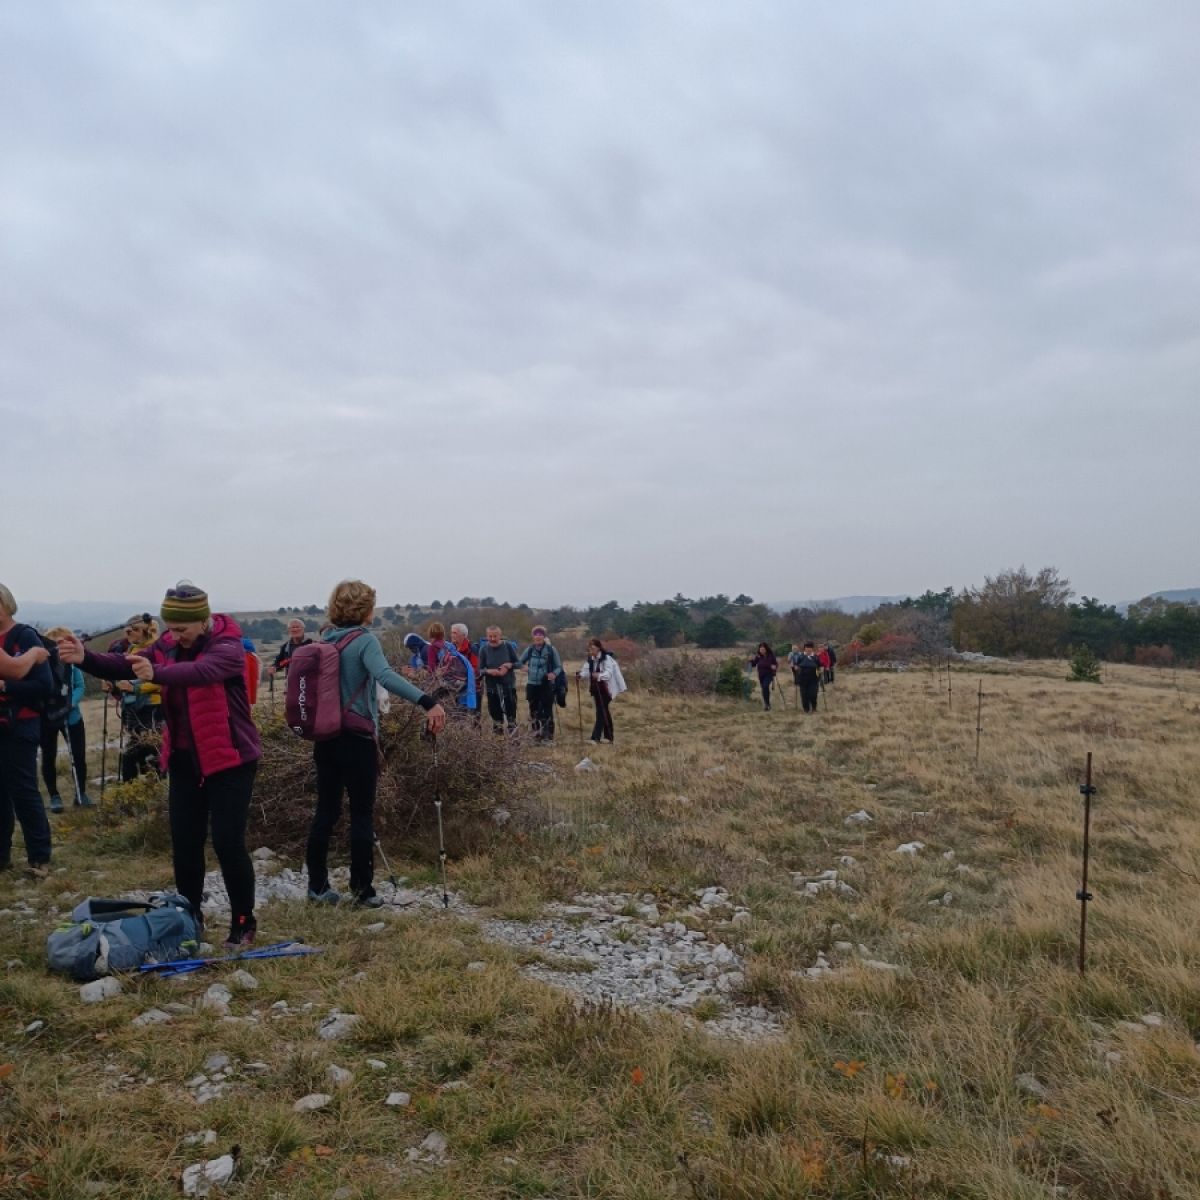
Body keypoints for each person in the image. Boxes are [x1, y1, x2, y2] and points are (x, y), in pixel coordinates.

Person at [60, 582, 263, 947]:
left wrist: (157, 673)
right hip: (184, 759)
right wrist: (85, 658)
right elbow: (127, 664)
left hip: (231, 759)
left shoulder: (228, 645)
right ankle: (189, 920)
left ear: (203, 620)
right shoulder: (167, 644)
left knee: (227, 842)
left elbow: (201, 672)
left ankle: (243, 922)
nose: (175, 635)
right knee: (185, 843)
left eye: (182, 629)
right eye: (171, 628)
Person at [304, 580, 446, 909]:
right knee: (361, 813)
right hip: (357, 738)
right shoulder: (364, 640)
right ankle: (362, 889)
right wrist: (427, 702)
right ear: (365, 609)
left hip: (325, 738)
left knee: (325, 811)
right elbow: (384, 675)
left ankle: (317, 886)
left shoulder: (326, 639)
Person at [0, 584, 54, 876]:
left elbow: (44, 685)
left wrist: (6, 687)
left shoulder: (24, 635)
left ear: (6, 603)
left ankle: (39, 858)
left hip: (21, 722)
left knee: (23, 790)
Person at [39, 626, 91, 811]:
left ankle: (81, 793)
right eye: (57, 643)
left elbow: (79, 686)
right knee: (48, 756)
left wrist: (69, 704)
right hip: (48, 718)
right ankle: (54, 796)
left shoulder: (72, 664)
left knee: (78, 755)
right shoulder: (42, 666)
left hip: (72, 717)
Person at [115, 615, 165, 782]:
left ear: (147, 631)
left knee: (150, 747)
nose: (129, 633)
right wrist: (114, 686)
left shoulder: (157, 650)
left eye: (134, 629)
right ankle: (140, 786)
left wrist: (135, 687)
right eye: (127, 629)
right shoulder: (131, 650)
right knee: (138, 748)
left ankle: (150, 785)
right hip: (132, 707)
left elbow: (162, 681)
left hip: (151, 707)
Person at [578, 638, 627, 744]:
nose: (591, 650)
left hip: (607, 688)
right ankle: (609, 737)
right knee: (604, 711)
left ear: (598, 648)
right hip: (597, 689)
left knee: (601, 711)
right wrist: (580, 675)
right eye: (589, 648)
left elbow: (608, 673)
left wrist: (599, 675)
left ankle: (595, 737)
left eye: (592, 648)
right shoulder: (590, 659)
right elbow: (586, 671)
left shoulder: (606, 658)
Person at [519, 626, 561, 741]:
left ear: (544, 636)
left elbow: (559, 667)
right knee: (533, 711)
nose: (538, 636)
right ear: (533, 637)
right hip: (532, 684)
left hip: (546, 684)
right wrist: (523, 667)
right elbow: (519, 662)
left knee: (547, 711)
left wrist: (554, 674)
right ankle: (536, 736)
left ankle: (548, 736)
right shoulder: (529, 650)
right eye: (536, 634)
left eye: (540, 634)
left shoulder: (551, 650)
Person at [478, 626, 518, 733]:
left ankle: (514, 740)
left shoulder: (508, 646)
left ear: (500, 636)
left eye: (495, 636)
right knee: (496, 718)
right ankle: (498, 741)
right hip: (492, 687)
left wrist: (509, 666)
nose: (492, 639)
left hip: (508, 686)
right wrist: (488, 671)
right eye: (490, 636)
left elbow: (518, 663)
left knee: (511, 717)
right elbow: (480, 669)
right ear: (487, 636)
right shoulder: (483, 649)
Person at [789, 641, 823, 714]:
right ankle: (806, 709)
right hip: (803, 679)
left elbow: (819, 666)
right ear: (804, 648)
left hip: (813, 679)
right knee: (804, 695)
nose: (808, 649)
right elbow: (796, 665)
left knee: (813, 694)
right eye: (807, 647)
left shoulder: (815, 657)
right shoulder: (801, 657)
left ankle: (814, 707)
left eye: (810, 647)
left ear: (812, 648)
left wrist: (820, 672)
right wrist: (795, 668)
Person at [749, 642, 778, 711]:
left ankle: (767, 704)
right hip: (761, 675)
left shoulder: (771, 656)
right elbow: (753, 664)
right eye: (760, 649)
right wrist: (750, 660)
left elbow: (775, 664)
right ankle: (767, 704)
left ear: (766, 649)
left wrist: (774, 667)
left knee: (765, 686)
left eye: (763, 649)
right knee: (764, 689)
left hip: (769, 674)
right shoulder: (758, 656)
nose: (761, 651)